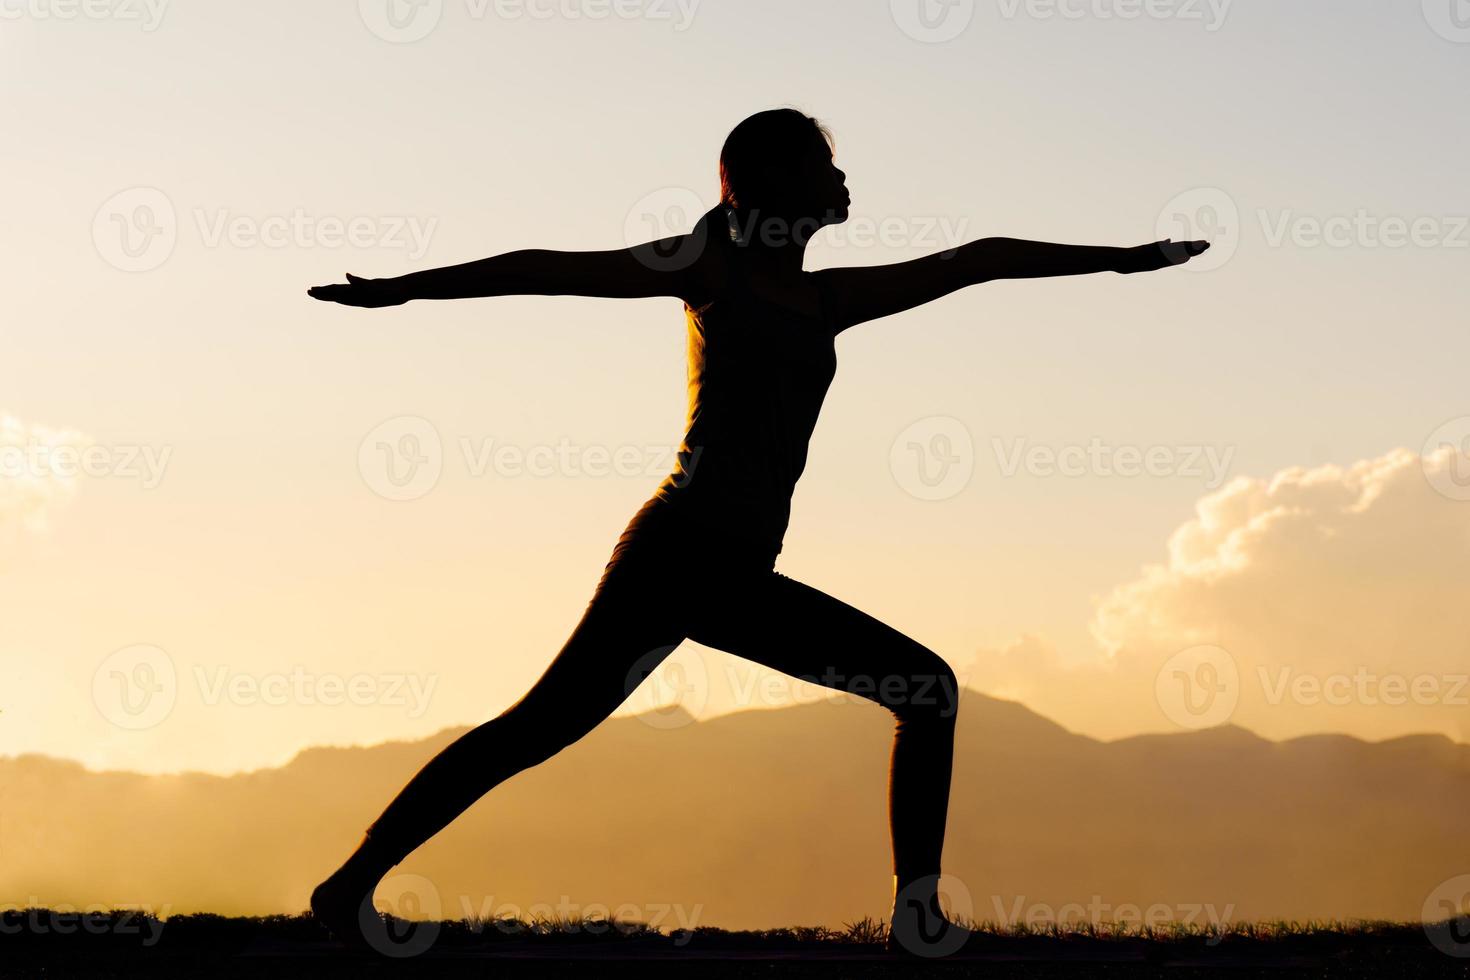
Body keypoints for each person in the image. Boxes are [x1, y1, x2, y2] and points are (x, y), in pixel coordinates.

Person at [306, 107, 1209, 956]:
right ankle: (918, 916)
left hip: (730, 565)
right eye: (824, 162)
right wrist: (406, 290)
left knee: (911, 693)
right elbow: (543, 266)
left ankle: (347, 888)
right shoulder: (703, 271)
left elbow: (980, 258)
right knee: (551, 728)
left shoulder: (825, 302)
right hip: (677, 552)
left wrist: (1128, 260)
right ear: (771, 178)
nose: (844, 175)